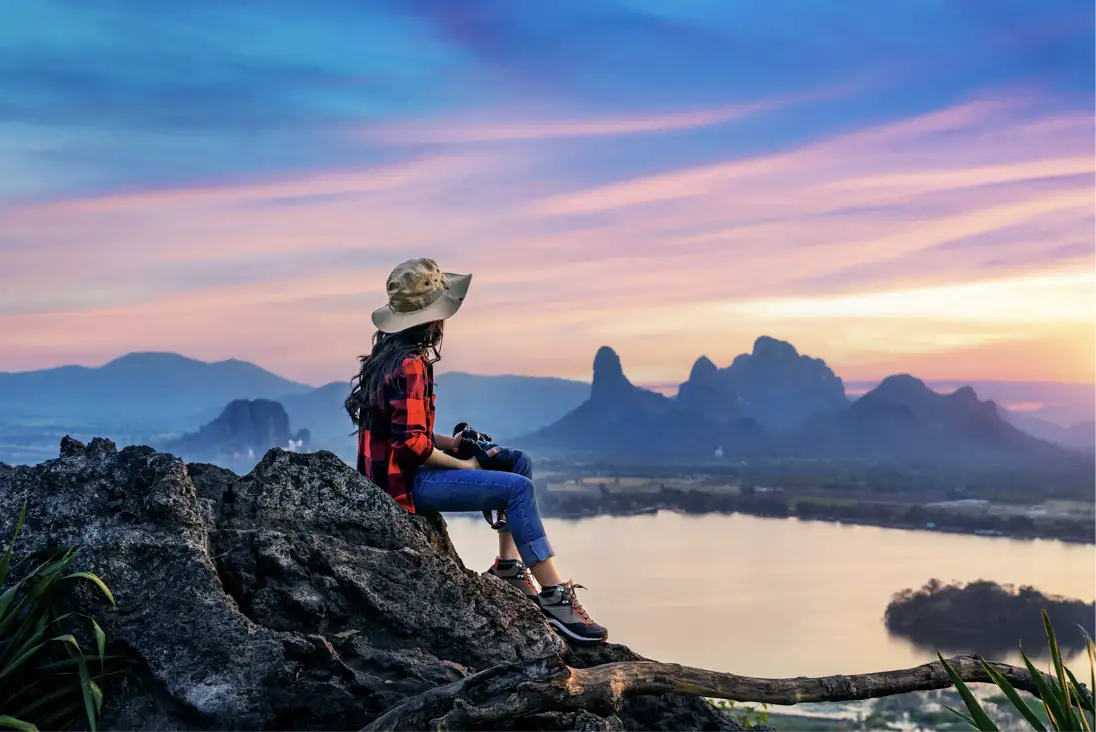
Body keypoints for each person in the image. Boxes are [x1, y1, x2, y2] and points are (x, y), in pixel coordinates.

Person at [344, 258, 608, 645]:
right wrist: (463, 461)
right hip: (404, 486)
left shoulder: (390, 358)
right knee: (518, 488)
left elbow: (404, 430)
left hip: (394, 474)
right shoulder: (412, 364)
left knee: (517, 462)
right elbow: (411, 446)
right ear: (434, 318)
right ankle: (555, 599)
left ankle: (509, 568)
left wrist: (451, 443)